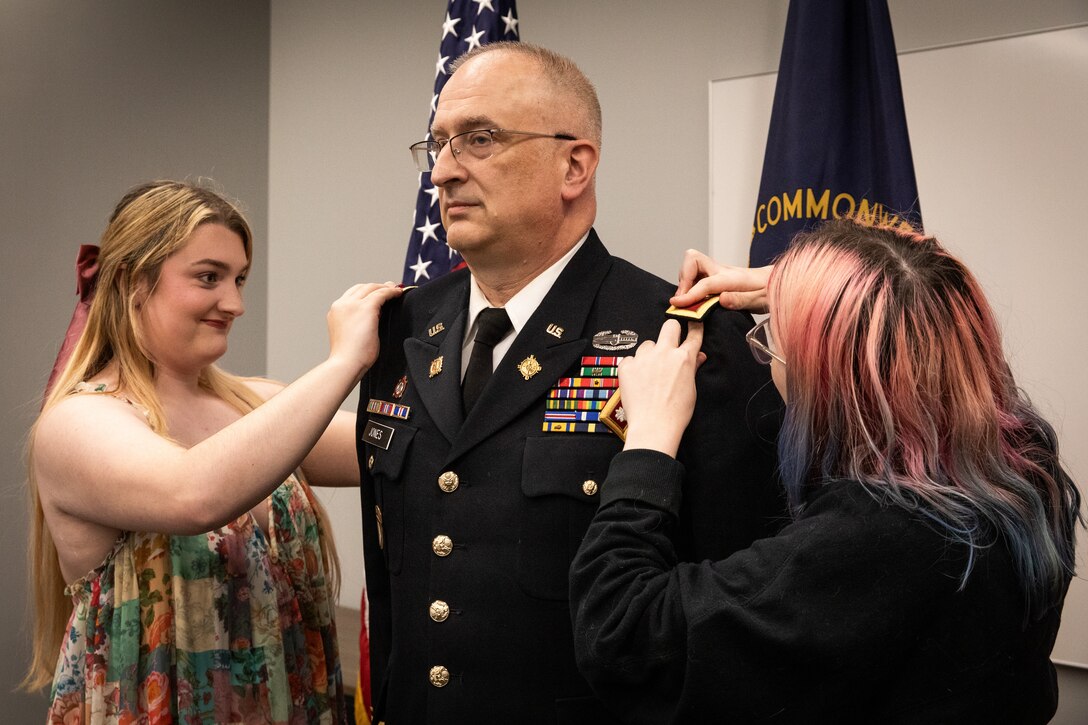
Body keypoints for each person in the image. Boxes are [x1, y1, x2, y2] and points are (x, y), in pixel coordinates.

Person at [355, 42, 784, 724]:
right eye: (435, 144)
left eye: (479, 139)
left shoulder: (678, 336)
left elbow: (733, 609)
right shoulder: (399, 329)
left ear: (574, 165)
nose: (441, 171)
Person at [570, 218, 1082, 723]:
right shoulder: (1025, 466)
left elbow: (626, 634)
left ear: (830, 382)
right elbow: (932, 305)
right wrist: (817, 287)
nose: (767, 351)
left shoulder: (879, 536)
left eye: (775, 342)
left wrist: (650, 442)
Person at [25, 181, 401, 723]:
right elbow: (193, 496)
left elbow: (404, 449)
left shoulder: (257, 405)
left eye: (240, 279)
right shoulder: (78, 423)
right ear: (134, 280)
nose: (235, 303)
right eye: (209, 277)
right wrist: (344, 363)